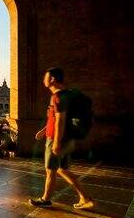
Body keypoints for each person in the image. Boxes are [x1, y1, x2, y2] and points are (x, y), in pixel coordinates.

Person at [29, 67, 94, 209]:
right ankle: (85, 197)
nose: (43, 80)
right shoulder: (65, 96)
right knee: (62, 170)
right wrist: (43, 131)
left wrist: (56, 142)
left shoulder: (57, 97)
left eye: (45, 77)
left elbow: (60, 121)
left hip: (57, 139)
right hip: (66, 139)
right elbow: (54, 119)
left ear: (52, 79)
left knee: (50, 170)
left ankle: (45, 199)